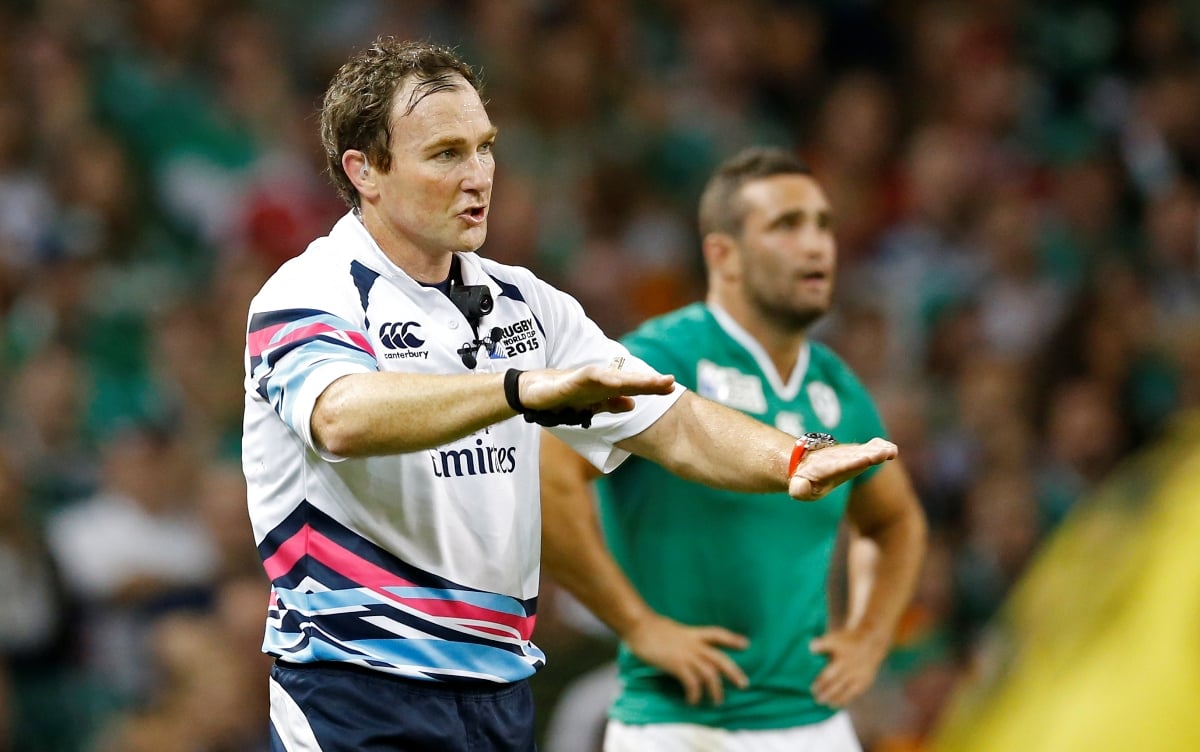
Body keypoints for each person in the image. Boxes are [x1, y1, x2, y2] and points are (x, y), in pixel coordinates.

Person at [242, 38, 897, 752]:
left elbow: (668, 420)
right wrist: (521, 390)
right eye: (446, 154)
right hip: (354, 690)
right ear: (364, 171)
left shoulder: (528, 305)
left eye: (485, 147)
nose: (479, 176)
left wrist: (789, 458)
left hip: (496, 694)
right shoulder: (311, 293)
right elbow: (339, 416)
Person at [540, 147, 927, 751]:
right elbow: (548, 476)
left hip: (815, 723)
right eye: (786, 225)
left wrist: (869, 637)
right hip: (676, 723)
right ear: (723, 254)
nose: (817, 244)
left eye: (823, 224)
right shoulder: (662, 356)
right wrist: (637, 626)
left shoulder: (835, 386)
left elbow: (894, 520)